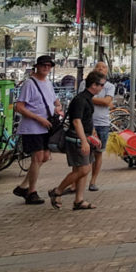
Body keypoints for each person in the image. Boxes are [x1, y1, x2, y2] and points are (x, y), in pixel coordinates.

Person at [47, 71, 104, 210]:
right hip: (77, 138)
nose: (102, 88)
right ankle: (58, 190)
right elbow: (77, 121)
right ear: (94, 85)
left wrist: (93, 135)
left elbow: (87, 120)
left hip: (85, 136)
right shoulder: (80, 99)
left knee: (84, 168)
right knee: (83, 169)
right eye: (101, 85)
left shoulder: (87, 99)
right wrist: (84, 141)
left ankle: (79, 200)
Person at [12, 54, 62, 206]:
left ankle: (23, 186)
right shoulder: (29, 84)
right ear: (37, 66)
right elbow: (19, 106)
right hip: (33, 127)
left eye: (49, 66)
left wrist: (58, 108)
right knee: (38, 157)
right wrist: (38, 118)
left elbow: (55, 100)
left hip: (46, 126)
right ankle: (31, 191)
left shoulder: (47, 83)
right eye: (43, 65)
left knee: (45, 157)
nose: (46, 68)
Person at [87, 61, 115, 192]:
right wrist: (103, 102)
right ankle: (77, 181)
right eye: (98, 67)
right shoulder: (84, 83)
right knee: (84, 153)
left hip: (102, 123)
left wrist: (88, 97)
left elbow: (107, 102)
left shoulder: (109, 86)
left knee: (98, 153)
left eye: (103, 67)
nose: (100, 69)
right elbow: (104, 102)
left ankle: (93, 181)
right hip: (87, 122)